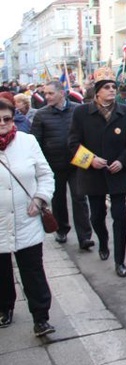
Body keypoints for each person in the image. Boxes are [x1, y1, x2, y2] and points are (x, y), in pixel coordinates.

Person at [68, 67, 126, 278]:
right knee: (97, 216)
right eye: (106, 87)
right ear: (96, 92)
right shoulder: (81, 113)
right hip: (93, 175)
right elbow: (72, 144)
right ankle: (103, 241)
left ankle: (120, 261)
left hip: (117, 174)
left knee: (120, 217)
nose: (112, 90)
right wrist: (90, 160)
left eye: (114, 87)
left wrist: (123, 162)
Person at [0, 93, 56, 337]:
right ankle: (5, 307)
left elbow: (45, 175)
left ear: (14, 118)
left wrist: (40, 197)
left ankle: (41, 317)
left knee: (33, 270)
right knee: (1, 271)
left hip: (27, 217)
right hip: (1, 221)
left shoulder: (27, 141)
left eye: (7, 119)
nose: (2, 124)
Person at [31, 80, 93, 250]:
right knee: (58, 200)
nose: (47, 96)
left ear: (61, 93)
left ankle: (85, 237)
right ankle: (61, 229)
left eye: (50, 93)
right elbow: (35, 143)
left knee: (80, 199)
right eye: (45, 93)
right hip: (53, 166)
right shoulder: (41, 115)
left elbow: (87, 136)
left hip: (76, 165)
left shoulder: (77, 110)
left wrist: (88, 162)